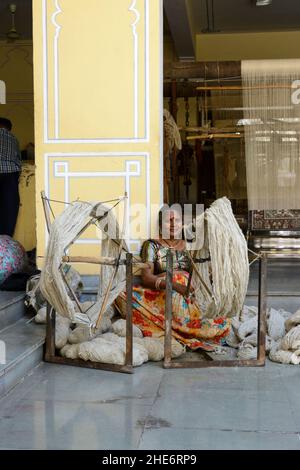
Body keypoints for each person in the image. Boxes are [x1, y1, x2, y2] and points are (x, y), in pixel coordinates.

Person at [116, 206, 231, 352]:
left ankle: (175, 326)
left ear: (182, 223)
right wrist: (174, 284)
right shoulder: (152, 245)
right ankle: (181, 328)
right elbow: (146, 278)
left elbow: (201, 274)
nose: (172, 224)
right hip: (162, 294)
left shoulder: (190, 246)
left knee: (216, 316)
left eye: (176, 220)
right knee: (119, 294)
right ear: (160, 225)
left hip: (187, 294)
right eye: (167, 220)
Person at [0, 117, 21, 237]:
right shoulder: (14, 139)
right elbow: (19, 159)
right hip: (10, 174)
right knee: (9, 208)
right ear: (9, 128)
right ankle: (6, 239)